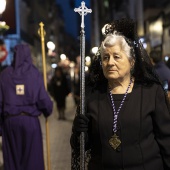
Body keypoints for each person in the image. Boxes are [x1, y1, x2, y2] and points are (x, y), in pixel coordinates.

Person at [70, 18, 170, 170]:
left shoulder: (151, 92)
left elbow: (166, 139)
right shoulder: (92, 96)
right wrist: (78, 132)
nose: (110, 62)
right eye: (105, 57)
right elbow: (83, 146)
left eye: (116, 56)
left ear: (131, 62)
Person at [0, 44, 53, 170]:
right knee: (32, 161)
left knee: (12, 162)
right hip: (30, 123)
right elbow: (43, 100)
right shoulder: (34, 73)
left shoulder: (4, 75)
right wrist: (48, 109)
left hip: (10, 123)